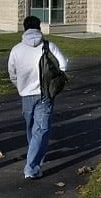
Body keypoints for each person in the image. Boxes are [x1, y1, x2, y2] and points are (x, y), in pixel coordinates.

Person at [8, 16, 69, 179]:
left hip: (25, 95)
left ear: (24, 28)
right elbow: (64, 64)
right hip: (45, 94)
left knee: (32, 128)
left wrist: (20, 86)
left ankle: (32, 164)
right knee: (41, 129)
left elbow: (12, 74)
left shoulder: (16, 49)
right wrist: (56, 78)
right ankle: (33, 161)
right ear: (39, 28)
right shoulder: (49, 46)